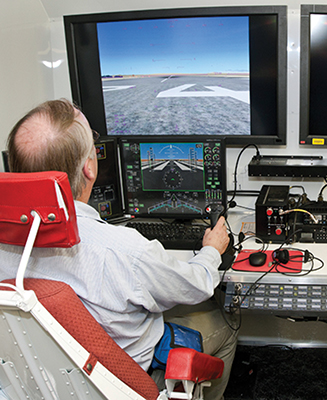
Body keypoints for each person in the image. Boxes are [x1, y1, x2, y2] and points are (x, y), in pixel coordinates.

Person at [1, 99, 237, 400]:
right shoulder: (122, 250)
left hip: (41, 381)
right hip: (125, 382)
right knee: (223, 320)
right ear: (89, 168)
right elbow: (195, 286)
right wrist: (212, 251)